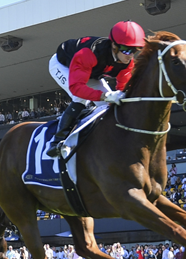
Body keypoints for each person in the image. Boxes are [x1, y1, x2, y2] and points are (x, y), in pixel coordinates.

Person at [45, 20, 145, 158]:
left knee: (109, 106)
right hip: (63, 66)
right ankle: (57, 142)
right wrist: (105, 96)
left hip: (90, 72)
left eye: (134, 50)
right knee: (80, 99)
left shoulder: (127, 63)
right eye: (127, 50)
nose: (130, 55)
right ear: (114, 46)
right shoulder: (89, 53)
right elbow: (77, 88)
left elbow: (122, 90)